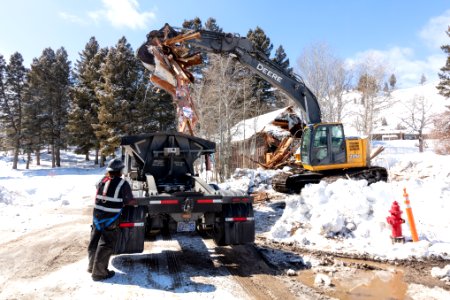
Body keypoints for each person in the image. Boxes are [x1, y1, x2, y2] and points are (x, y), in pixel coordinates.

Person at [87, 158, 135, 281]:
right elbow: (128, 200)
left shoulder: (102, 180)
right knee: (106, 244)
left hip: (97, 216)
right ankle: (99, 273)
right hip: (110, 218)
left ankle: (91, 266)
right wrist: (134, 202)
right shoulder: (123, 183)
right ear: (120, 171)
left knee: (95, 240)